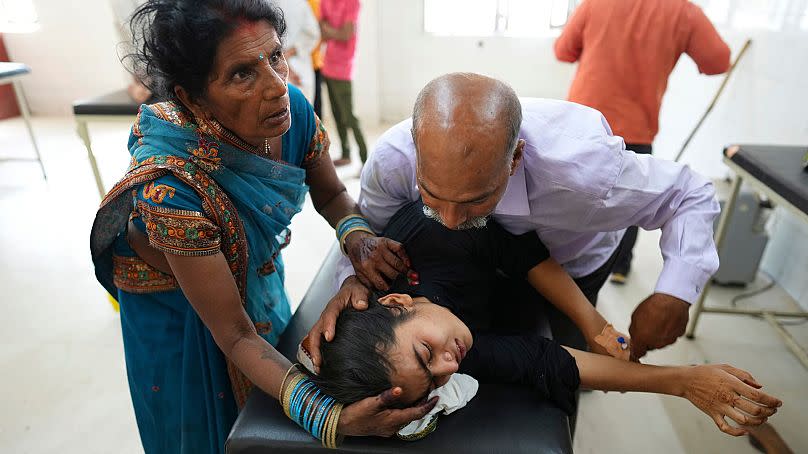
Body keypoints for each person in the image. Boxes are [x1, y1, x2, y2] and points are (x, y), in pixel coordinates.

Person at [89, 1, 433, 452]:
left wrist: (359, 239)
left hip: (248, 273)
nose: (275, 86)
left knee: (271, 358)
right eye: (240, 74)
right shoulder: (174, 192)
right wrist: (334, 417)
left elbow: (329, 193)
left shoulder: (291, 111)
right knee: (200, 422)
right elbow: (233, 333)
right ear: (192, 98)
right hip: (172, 306)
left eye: (274, 56)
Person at [308, 72, 721, 372]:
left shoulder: (587, 173)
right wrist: (355, 278)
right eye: (434, 195)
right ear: (417, 150)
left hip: (574, 264)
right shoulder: (393, 161)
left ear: (516, 159)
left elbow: (689, 193)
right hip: (477, 272)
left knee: (577, 350)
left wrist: (674, 293)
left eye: (476, 200)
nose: (450, 222)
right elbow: (371, 241)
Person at [310, 201, 781, 438]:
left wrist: (593, 321)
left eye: (425, 353)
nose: (448, 367)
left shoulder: (433, 231)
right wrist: (683, 381)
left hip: (555, 239)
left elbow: (523, 256)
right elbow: (549, 359)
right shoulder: (454, 358)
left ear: (396, 303)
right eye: (433, 381)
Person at [554, 0, 731, 284]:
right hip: (636, 127)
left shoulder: (596, 4)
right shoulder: (683, 11)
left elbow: (563, 51)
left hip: (583, 121)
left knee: (570, 190)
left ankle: (560, 262)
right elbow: (718, 61)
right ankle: (619, 266)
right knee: (631, 197)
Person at [320, 0, 368, 167]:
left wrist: (329, 31)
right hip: (327, 65)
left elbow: (346, 35)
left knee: (350, 116)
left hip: (344, 67)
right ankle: (346, 154)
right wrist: (335, 32)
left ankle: (365, 159)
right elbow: (322, 30)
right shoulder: (325, 1)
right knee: (337, 114)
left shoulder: (352, 2)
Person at [275, 0, 320, 101]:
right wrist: (287, 56)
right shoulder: (300, 3)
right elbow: (313, 35)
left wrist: (284, 57)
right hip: (296, 72)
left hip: (287, 71)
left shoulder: (261, 4)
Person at [307, 0, 325, 117]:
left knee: (316, 104)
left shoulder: (316, 3)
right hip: (305, 61)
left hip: (314, 61)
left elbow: (321, 30)